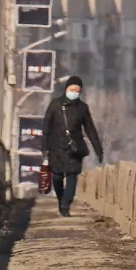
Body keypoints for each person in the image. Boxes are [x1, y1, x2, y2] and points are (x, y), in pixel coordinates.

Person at [42, 75, 104, 217]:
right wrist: (44, 147)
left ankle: (65, 205)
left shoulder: (83, 108)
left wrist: (98, 150)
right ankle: (60, 199)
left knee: (72, 176)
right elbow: (46, 126)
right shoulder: (55, 105)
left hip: (74, 149)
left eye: (77, 90)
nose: (74, 92)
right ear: (66, 89)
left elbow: (90, 129)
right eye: (72, 89)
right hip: (56, 147)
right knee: (57, 177)